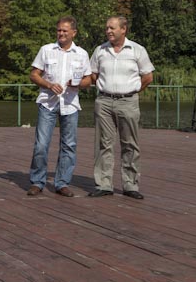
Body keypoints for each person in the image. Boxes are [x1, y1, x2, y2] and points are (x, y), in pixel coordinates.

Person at [88, 16, 154, 200]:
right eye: (107, 28)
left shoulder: (137, 50)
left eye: (112, 28)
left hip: (128, 102)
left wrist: (132, 91)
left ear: (123, 29)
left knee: (130, 144)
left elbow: (148, 77)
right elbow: (93, 75)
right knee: (103, 144)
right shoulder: (100, 50)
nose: (108, 31)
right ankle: (104, 184)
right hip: (104, 101)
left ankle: (130, 185)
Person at [26, 16, 92, 198]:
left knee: (69, 145)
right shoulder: (46, 50)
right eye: (59, 30)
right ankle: (37, 182)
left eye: (64, 30)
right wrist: (48, 84)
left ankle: (62, 183)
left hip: (70, 104)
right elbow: (34, 75)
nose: (61, 33)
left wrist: (78, 84)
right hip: (48, 103)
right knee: (41, 145)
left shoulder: (82, 54)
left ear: (74, 33)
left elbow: (88, 79)